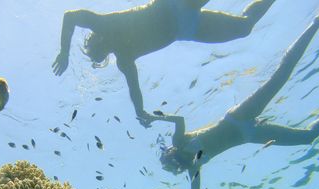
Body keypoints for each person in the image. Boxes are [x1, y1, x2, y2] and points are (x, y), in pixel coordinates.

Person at [145, 1, 319, 189]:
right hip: (249, 135)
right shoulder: (193, 168)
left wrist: (154, 116)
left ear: (170, 153)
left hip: (238, 118)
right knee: (307, 138)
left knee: (280, 76)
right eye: (172, 166)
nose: (174, 162)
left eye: (170, 161)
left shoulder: (180, 141)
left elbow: (179, 119)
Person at [52, 0, 276, 127]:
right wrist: (140, 112)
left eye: (95, 55)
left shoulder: (103, 25)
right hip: (187, 28)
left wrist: (64, 52)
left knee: (244, 27)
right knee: (244, 27)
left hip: (173, 5)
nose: (99, 59)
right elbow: (134, 89)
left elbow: (70, 16)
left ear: (95, 40)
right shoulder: (124, 59)